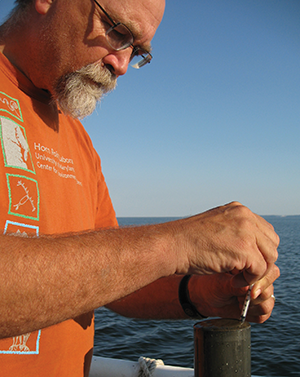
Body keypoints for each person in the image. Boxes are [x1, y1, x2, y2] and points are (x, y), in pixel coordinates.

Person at [0, 0, 280, 376]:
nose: (121, 65)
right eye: (117, 31)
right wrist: (178, 242)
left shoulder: (77, 137)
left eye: (138, 51)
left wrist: (204, 293)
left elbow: (110, 278)